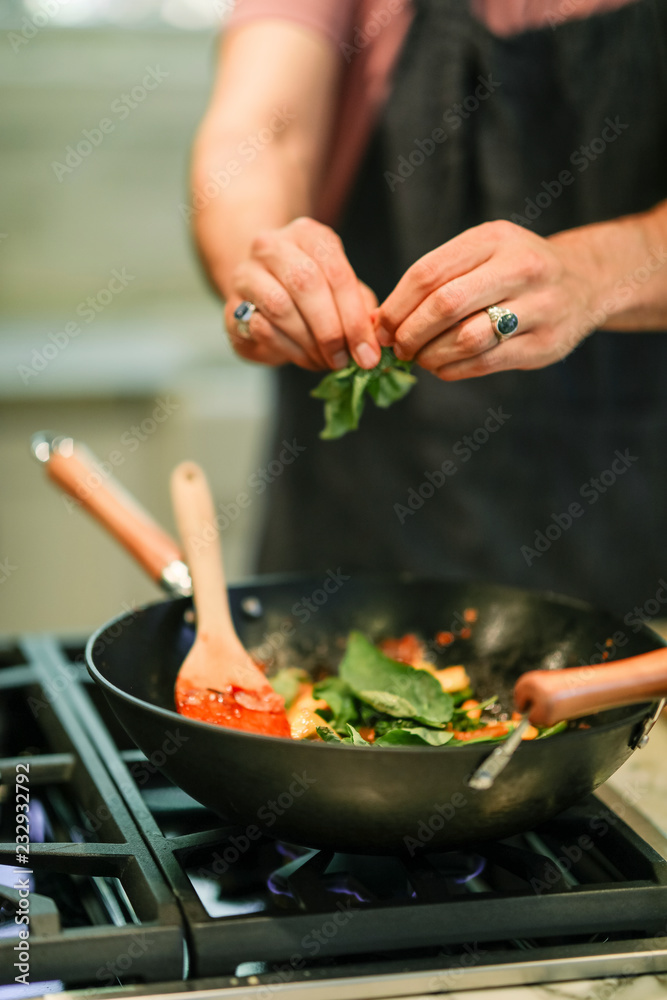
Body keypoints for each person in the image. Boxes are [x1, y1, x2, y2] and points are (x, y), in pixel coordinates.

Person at [190, 0, 667, 617]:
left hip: (632, 525)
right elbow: (258, 134)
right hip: (356, 521)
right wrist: (261, 265)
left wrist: (595, 272)